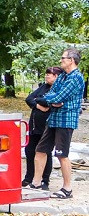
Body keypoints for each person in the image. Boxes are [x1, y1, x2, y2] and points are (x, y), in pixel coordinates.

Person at [31, 48, 85, 199]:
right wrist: (54, 101)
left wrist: (52, 101)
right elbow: (52, 94)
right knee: (40, 150)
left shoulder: (76, 78)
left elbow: (60, 96)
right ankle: (36, 183)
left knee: (62, 155)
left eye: (63, 58)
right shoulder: (62, 77)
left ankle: (67, 189)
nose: (61, 60)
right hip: (53, 119)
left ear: (71, 60)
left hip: (66, 121)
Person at [22, 67, 62, 189]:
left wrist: (39, 101)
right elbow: (29, 99)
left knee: (45, 152)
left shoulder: (59, 88)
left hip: (46, 126)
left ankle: (45, 180)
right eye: (46, 75)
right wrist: (38, 106)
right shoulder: (43, 87)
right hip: (34, 125)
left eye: (49, 75)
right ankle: (29, 177)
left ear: (56, 76)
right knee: (29, 150)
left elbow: (49, 101)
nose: (47, 77)